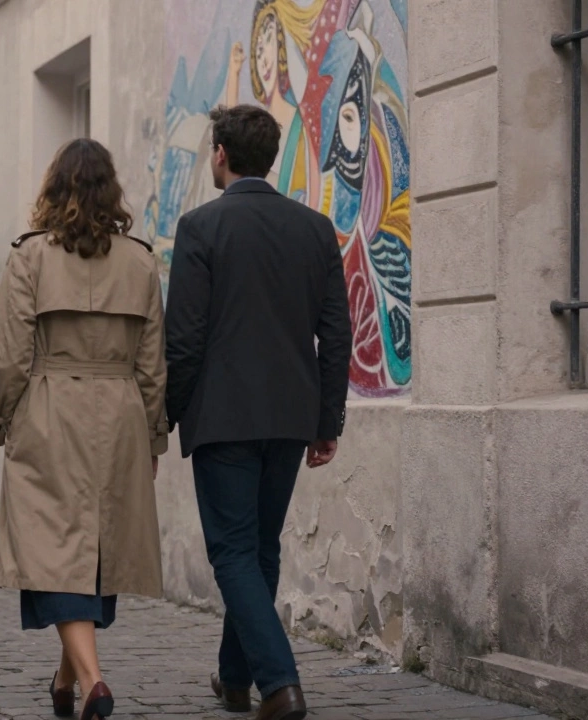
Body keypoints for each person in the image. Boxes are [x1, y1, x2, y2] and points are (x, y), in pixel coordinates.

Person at [164, 104, 352, 720]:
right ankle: (235, 679)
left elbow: (184, 339)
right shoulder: (315, 228)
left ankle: (280, 685)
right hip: (291, 417)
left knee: (234, 553)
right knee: (259, 548)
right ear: (268, 157)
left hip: (223, 419)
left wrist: (165, 413)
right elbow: (336, 334)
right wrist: (326, 422)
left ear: (220, 154)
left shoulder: (199, 228)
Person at [0, 138, 168, 720]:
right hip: (119, 413)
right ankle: (64, 683)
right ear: (111, 190)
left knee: (56, 545)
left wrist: (1, 422)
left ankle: (91, 683)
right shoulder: (140, 260)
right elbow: (153, 364)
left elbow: (7, 357)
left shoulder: (29, 257)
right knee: (95, 545)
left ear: (53, 188)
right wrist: (153, 435)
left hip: (47, 409)